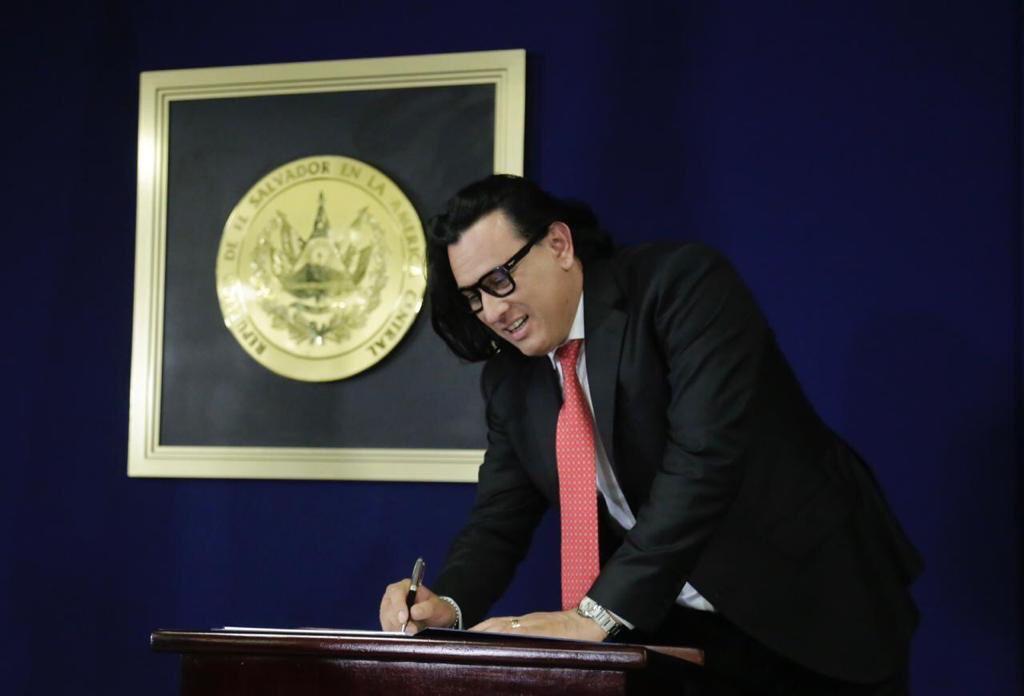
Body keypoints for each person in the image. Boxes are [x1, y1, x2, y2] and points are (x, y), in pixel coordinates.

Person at [379, 175, 922, 694]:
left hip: (811, 604)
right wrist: (446, 603)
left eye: (500, 280)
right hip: (678, 632)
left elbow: (703, 462)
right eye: (474, 296)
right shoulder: (511, 379)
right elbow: (499, 517)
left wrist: (593, 616)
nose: (493, 311)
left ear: (560, 244)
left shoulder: (683, 285)